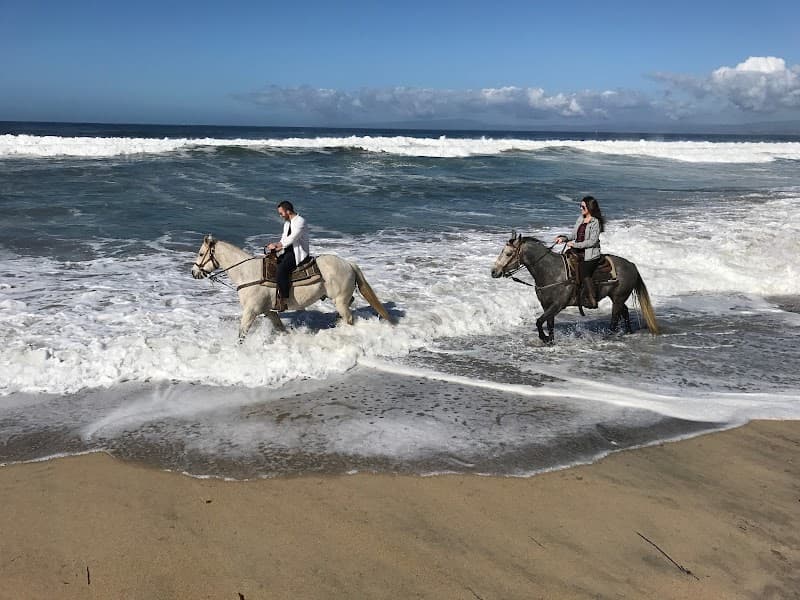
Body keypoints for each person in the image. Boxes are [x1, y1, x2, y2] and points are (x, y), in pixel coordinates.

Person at [554, 196, 605, 309]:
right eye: (580, 206)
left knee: (584, 272)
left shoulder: (595, 222)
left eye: (583, 207)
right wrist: (563, 238)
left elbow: (592, 242)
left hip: (590, 254)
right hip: (577, 251)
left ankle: (592, 299)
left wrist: (575, 244)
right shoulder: (580, 218)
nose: (581, 209)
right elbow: (573, 235)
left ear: (590, 208)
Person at [265, 200, 310, 312]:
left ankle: (284, 300)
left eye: (281, 213)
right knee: (271, 264)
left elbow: (293, 238)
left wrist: (278, 245)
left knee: (281, 269)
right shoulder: (287, 223)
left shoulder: (300, 221)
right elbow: (284, 239)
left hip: (297, 253)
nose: (280, 216)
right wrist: (276, 247)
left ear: (288, 211)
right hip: (287, 251)